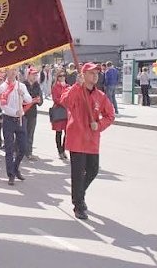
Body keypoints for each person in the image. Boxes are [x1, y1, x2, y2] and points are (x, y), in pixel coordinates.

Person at [61, 62, 115, 220]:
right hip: (77, 137)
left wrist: (98, 125)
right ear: (83, 75)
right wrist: (76, 87)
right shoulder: (75, 90)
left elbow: (110, 116)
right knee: (77, 174)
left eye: (97, 73)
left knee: (93, 170)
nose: (95, 75)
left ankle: (79, 193)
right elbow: (66, 102)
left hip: (92, 139)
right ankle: (79, 204)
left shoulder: (101, 96)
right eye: (91, 73)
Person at [0, 68, 32, 185]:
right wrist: (14, 112)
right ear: (6, 72)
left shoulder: (21, 86)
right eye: (11, 71)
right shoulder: (2, 87)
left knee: (23, 147)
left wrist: (23, 95)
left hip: (21, 120)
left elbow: (29, 99)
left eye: (15, 70)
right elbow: (3, 106)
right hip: (8, 119)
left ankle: (15, 167)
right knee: (9, 148)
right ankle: (11, 174)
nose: (13, 73)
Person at [23, 67, 43, 161]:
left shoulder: (37, 86)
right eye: (33, 74)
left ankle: (28, 152)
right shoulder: (23, 85)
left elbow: (40, 101)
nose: (35, 76)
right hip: (23, 112)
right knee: (22, 132)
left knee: (30, 133)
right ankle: (19, 150)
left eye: (36, 75)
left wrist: (38, 101)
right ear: (28, 75)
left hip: (32, 113)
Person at [51, 70, 70, 160]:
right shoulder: (55, 87)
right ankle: (60, 151)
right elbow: (55, 99)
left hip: (67, 112)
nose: (62, 77)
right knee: (59, 132)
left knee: (67, 132)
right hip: (59, 111)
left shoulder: (67, 86)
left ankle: (63, 149)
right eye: (60, 76)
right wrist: (64, 102)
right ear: (57, 77)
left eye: (63, 76)